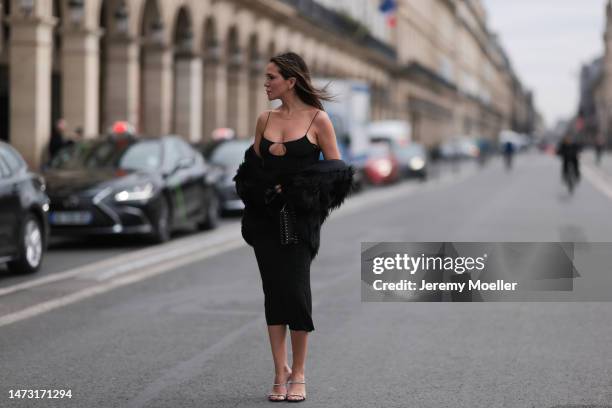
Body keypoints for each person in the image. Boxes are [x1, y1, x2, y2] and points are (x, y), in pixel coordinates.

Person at [233, 52, 354, 402]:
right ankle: (278, 371)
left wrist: (298, 189)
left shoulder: (319, 120)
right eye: (266, 76)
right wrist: (262, 192)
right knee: (273, 293)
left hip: (299, 222)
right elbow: (249, 170)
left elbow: (337, 173)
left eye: (271, 77)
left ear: (291, 80)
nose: (265, 82)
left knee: (296, 293)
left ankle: (299, 372)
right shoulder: (264, 118)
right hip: (266, 222)